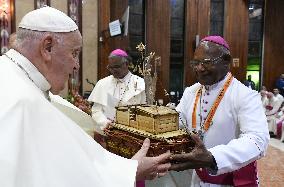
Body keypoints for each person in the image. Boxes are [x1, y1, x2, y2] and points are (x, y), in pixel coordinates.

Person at [0, 7, 171, 187]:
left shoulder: (17, 81)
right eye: (74, 53)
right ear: (47, 47)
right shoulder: (19, 100)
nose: (77, 66)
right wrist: (129, 172)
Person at [170, 36, 269, 186]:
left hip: (230, 181)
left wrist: (212, 158)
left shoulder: (244, 95)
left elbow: (257, 140)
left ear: (226, 61)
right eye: (196, 63)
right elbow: (178, 122)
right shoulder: (191, 92)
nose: (199, 68)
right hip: (197, 179)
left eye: (207, 62)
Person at [88, 49, 146, 133]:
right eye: (110, 67)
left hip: (131, 133)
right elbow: (96, 110)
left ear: (126, 64)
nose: (113, 71)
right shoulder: (102, 83)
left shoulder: (140, 83)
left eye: (116, 67)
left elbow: (144, 112)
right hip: (107, 131)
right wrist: (105, 123)